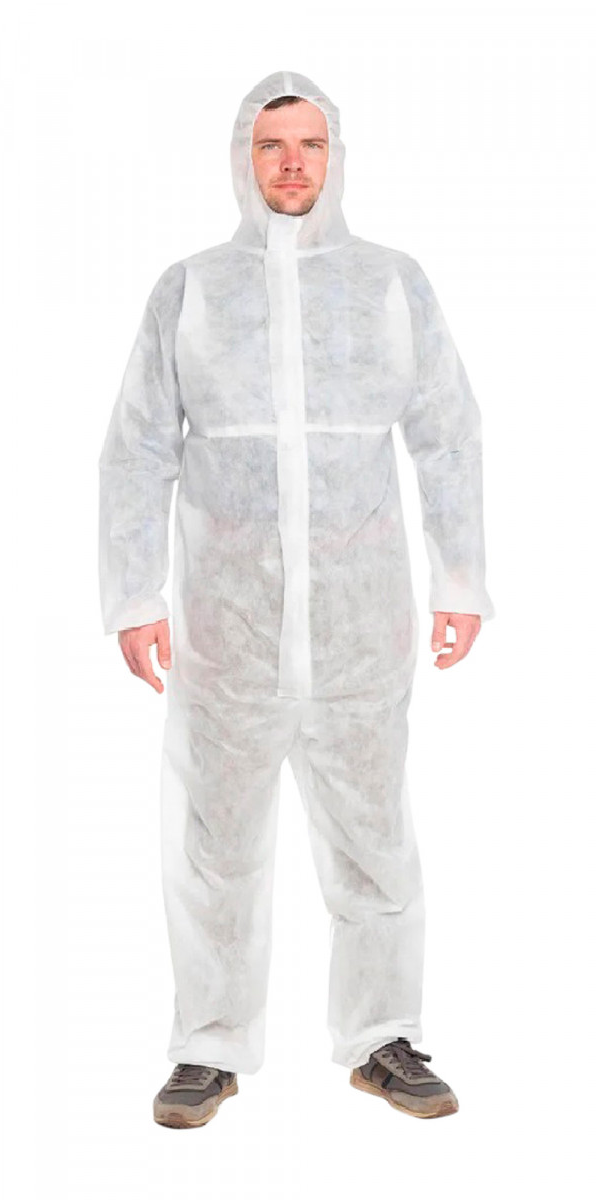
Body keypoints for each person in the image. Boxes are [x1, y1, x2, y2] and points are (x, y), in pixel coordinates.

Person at [98, 69, 495, 1129]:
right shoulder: (190, 288)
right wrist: (134, 595)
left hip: (362, 625)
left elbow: (447, 433)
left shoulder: (389, 283)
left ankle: (382, 1039)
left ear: (335, 158)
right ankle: (208, 1047)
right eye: (272, 144)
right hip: (226, 629)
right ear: (243, 159)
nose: (290, 163)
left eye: (309, 144)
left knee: (374, 836)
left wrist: (459, 578)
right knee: (214, 844)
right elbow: (138, 447)